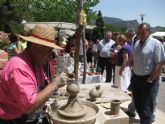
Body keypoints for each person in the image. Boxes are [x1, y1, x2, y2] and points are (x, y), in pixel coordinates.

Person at [0, 24, 69, 124]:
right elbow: (29, 106)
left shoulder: (36, 63)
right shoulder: (19, 67)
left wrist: (57, 81)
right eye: (48, 51)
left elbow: (42, 86)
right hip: (12, 120)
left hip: (27, 117)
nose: (50, 57)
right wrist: (55, 84)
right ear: (35, 48)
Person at [131, 22, 165, 124]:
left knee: (147, 108)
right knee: (138, 105)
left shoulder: (156, 44)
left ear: (149, 32)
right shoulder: (136, 43)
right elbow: (135, 59)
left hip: (148, 79)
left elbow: (160, 63)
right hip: (136, 78)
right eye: (139, 32)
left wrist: (150, 79)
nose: (140, 34)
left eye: (143, 32)